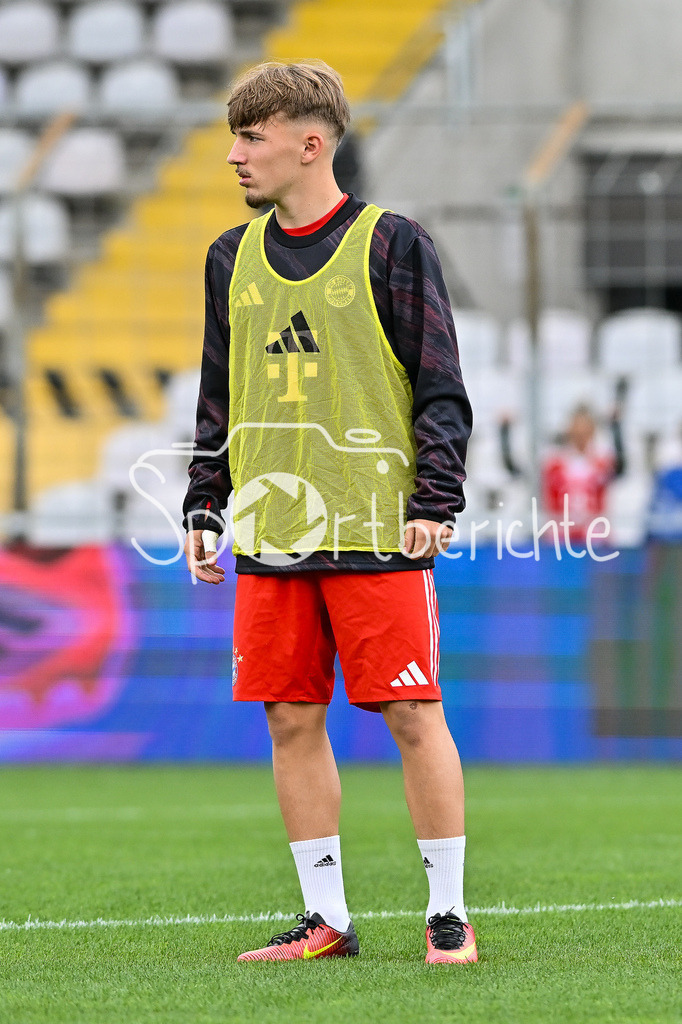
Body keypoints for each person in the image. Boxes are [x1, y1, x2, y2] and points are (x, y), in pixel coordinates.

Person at [182, 60, 475, 966]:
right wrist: (204, 501)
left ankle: (447, 917)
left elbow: (440, 387)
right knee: (288, 717)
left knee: (412, 712)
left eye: (251, 138)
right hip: (272, 530)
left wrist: (436, 497)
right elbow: (218, 399)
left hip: (376, 526)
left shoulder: (394, 244)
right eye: (235, 138)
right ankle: (327, 920)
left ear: (310, 144)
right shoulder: (229, 258)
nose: (235, 156)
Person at [501, 395, 626, 541]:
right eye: (577, 430)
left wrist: (616, 428)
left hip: (595, 538)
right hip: (559, 540)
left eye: (585, 431)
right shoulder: (553, 463)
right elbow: (516, 470)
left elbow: (621, 470)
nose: (581, 436)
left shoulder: (602, 463)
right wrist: (504, 433)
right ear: (569, 431)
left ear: (592, 431)